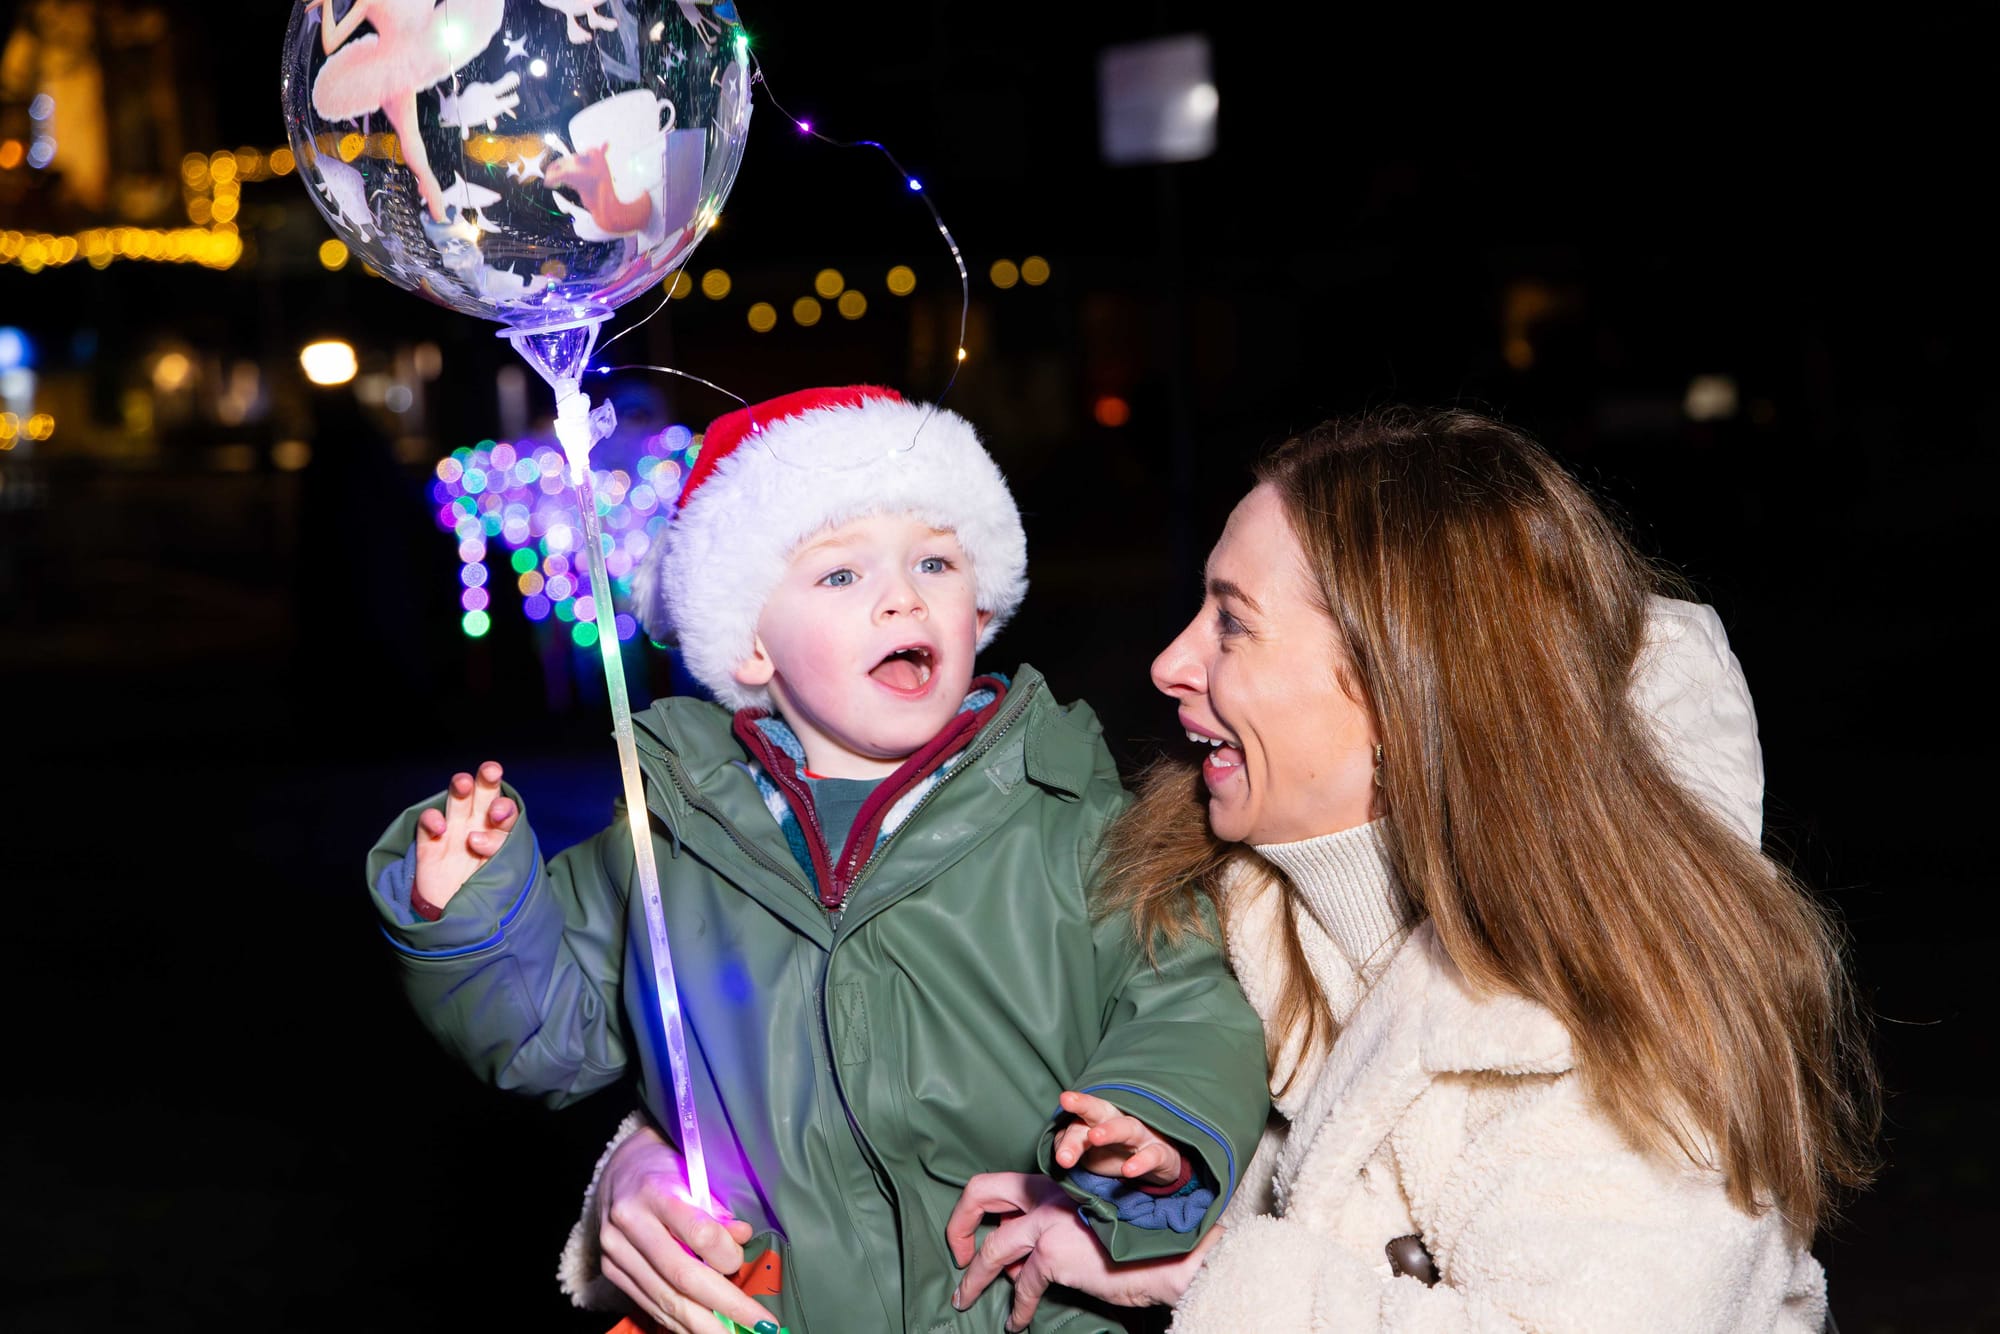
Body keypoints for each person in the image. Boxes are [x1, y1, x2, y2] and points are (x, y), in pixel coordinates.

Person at [930, 407, 1879, 1330]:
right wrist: (1136, 1210)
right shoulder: (1219, 928)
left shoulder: (1631, 1004)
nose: (1169, 663)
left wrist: (1205, 1277)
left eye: (1233, 625)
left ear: (1403, 683)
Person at [365, 386, 1270, 1334]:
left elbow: (1187, 997)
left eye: (934, 561)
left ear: (981, 607)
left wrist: (1156, 1122)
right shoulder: (671, 835)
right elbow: (550, 1037)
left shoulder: (1072, 816)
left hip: (1020, 1307)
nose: (903, 595)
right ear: (751, 647)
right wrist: (466, 911)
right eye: (840, 574)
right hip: (766, 1307)